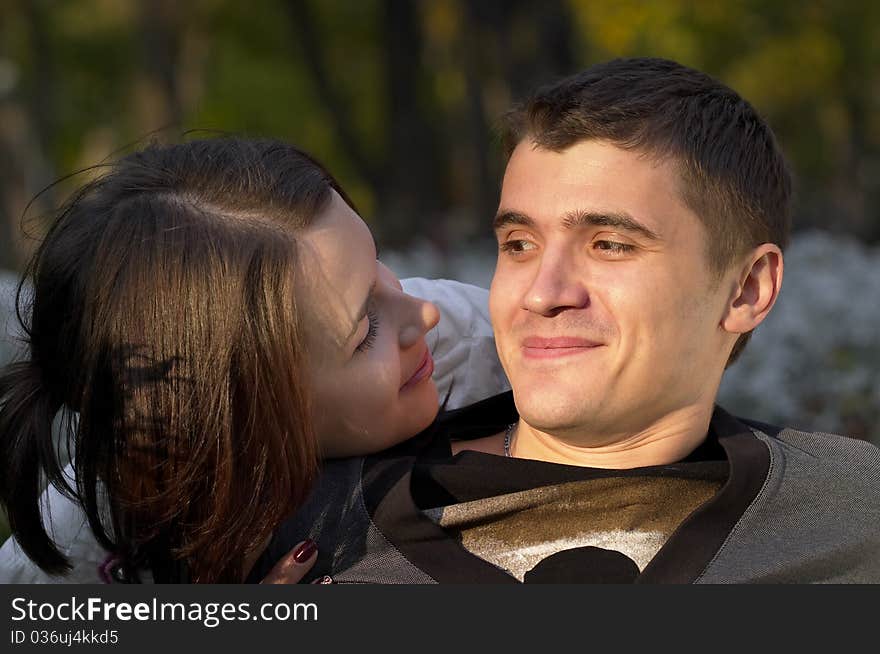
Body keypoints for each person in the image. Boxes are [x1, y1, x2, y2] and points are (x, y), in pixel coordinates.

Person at [251, 57, 880, 583]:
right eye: (519, 244)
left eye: (610, 244)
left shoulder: (852, 515)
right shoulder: (301, 519)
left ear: (746, 288)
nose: (542, 294)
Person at [0, 137, 508, 583]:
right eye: (363, 332)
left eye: (377, 262)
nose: (424, 313)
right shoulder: (82, 547)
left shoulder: (487, 348)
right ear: (239, 421)